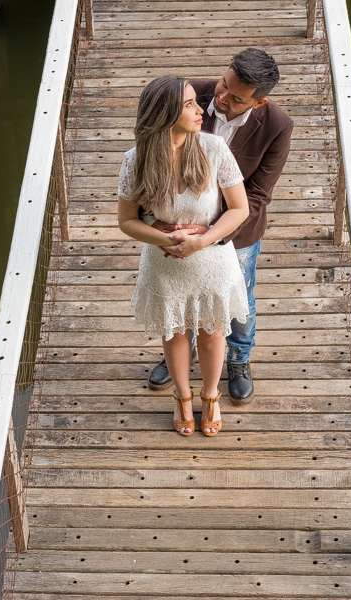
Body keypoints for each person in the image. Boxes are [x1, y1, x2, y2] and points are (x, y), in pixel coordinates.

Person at [145, 48, 294, 405]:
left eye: (236, 97)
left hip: (236, 233)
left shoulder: (277, 125)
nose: (220, 97)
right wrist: (164, 223)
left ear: (258, 103)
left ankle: (239, 360)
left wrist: (211, 233)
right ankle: (182, 354)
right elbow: (152, 153)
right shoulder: (191, 95)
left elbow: (258, 193)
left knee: (240, 300)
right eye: (223, 84)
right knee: (181, 292)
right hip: (177, 222)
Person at [117, 75, 250, 437]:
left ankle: (210, 396)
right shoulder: (136, 159)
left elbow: (240, 210)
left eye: (196, 102)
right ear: (164, 113)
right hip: (165, 262)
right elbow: (126, 221)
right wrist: (169, 235)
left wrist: (202, 239)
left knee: (211, 332)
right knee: (175, 332)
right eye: (189, 104)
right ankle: (181, 396)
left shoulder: (213, 149)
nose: (200, 109)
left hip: (211, 260)